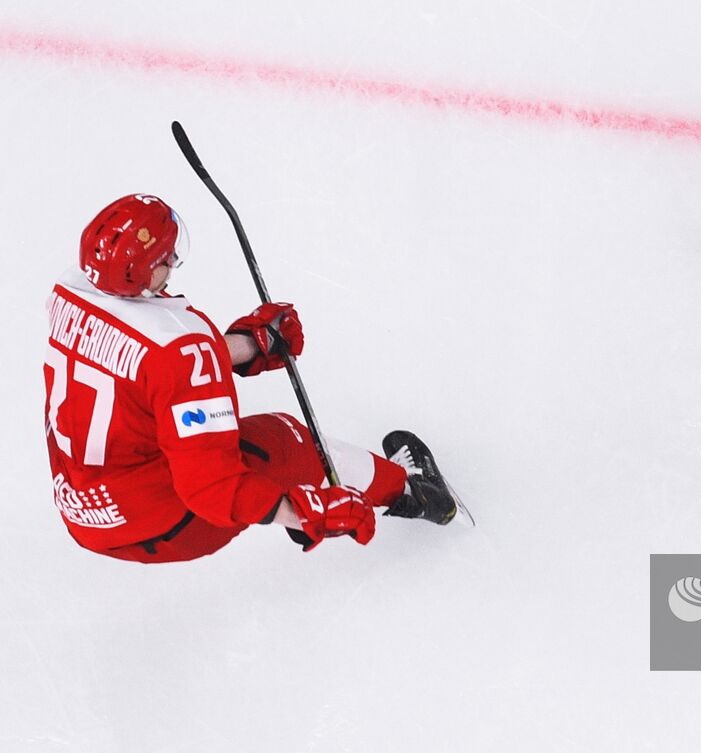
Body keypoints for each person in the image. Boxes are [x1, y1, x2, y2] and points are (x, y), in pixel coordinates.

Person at [43, 193, 459, 563]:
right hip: (163, 528)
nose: (171, 263)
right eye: (165, 259)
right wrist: (303, 511)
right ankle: (415, 493)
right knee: (283, 440)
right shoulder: (177, 347)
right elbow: (212, 489)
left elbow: (147, 372)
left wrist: (249, 345)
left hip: (85, 511)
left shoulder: (69, 294)